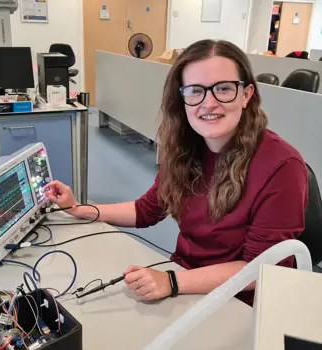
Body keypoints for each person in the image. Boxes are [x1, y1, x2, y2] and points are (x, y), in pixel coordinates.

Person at [44, 39, 308, 305]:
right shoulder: (188, 147)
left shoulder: (282, 166)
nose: (209, 103)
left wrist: (170, 281)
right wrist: (79, 209)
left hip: (240, 302)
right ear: (182, 98)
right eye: (195, 91)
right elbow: (146, 210)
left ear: (247, 94)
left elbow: (258, 271)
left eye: (224, 89)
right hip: (187, 283)